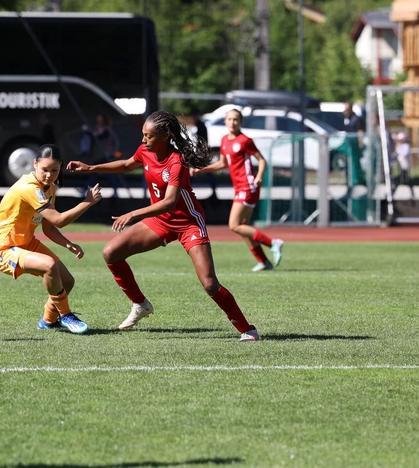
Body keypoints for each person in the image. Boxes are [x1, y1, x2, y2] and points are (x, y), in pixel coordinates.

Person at [66, 110, 259, 341]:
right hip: (161, 222)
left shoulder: (177, 162)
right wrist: (90, 168)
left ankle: (247, 329)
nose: (143, 140)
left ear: (166, 136)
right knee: (111, 253)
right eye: (143, 135)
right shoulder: (145, 151)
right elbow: (127, 164)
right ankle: (140, 304)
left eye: (148, 136)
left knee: (209, 284)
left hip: (188, 223)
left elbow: (169, 203)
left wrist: (134, 213)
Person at [0, 144, 101, 334]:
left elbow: (49, 227)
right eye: (44, 170)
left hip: (26, 243)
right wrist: (87, 202)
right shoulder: (29, 187)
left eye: (54, 170)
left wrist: (68, 244)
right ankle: (66, 315)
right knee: (49, 265)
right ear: (35, 164)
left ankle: (48, 321)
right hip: (2, 248)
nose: (49, 175)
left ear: (60, 167)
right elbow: (59, 220)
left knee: (67, 281)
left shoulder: (50, 188)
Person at [190, 106, 283, 272]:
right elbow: (222, 164)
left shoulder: (245, 140)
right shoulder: (225, 140)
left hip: (248, 186)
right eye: (230, 119)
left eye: (236, 119)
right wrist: (200, 169)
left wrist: (259, 176)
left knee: (234, 225)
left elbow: (262, 160)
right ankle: (263, 261)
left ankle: (273, 243)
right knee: (243, 226)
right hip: (240, 187)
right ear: (225, 121)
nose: (232, 122)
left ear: (240, 122)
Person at [88, 113, 130, 196]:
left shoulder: (106, 130)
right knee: (95, 172)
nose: (98, 122)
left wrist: (112, 152)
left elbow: (100, 137)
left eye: (100, 120)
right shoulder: (100, 129)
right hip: (100, 155)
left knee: (108, 173)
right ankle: (88, 187)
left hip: (106, 154)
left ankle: (115, 189)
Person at [190, 110, 218, 199]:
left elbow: (202, 141)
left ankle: (186, 190)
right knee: (195, 173)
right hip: (200, 153)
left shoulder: (200, 126)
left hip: (201, 153)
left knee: (199, 172)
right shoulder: (198, 125)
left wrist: (200, 153)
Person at [392, 131, 415, 198]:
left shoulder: (406, 146)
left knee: (402, 179)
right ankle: (412, 193)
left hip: (405, 166)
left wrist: (398, 148)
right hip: (400, 166)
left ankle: (393, 192)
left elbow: (403, 154)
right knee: (404, 179)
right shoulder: (399, 146)